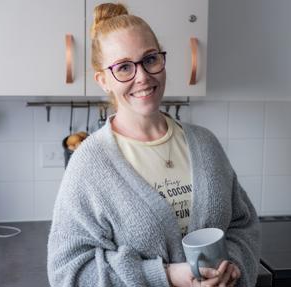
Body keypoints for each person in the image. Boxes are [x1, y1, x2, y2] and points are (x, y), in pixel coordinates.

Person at [47, 3, 261, 287]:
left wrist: (232, 268)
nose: (143, 77)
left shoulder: (206, 144)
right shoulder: (89, 164)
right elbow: (69, 273)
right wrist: (166, 276)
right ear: (103, 80)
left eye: (150, 59)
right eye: (123, 67)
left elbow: (242, 226)